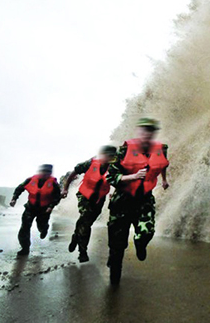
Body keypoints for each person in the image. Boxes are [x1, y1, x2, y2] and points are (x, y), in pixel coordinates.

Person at [106, 117, 169, 285]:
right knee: (117, 245)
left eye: (150, 131)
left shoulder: (161, 149)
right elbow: (110, 176)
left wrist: (164, 180)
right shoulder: (124, 149)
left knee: (147, 232)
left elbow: (163, 165)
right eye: (143, 130)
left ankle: (140, 244)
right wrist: (132, 176)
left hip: (144, 200)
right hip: (122, 201)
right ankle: (114, 274)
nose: (146, 134)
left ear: (154, 133)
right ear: (138, 131)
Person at [61, 145, 117, 263]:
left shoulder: (114, 167)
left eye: (112, 157)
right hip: (84, 196)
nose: (110, 159)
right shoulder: (90, 163)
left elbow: (117, 180)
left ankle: (76, 236)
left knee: (88, 222)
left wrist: (114, 193)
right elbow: (74, 173)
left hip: (99, 199)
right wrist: (65, 188)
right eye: (108, 156)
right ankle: (83, 252)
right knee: (85, 220)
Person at [10, 164, 62, 256]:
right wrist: (14, 198)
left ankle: (44, 229)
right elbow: (19, 188)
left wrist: (51, 206)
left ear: (50, 174)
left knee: (41, 225)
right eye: (43, 172)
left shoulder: (53, 183)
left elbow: (57, 196)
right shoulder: (30, 180)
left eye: (47, 172)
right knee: (25, 227)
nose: (44, 174)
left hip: (45, 209)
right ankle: (25, 248)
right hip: (30, 207)